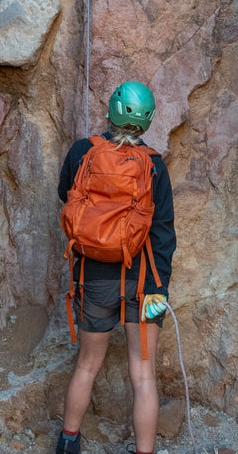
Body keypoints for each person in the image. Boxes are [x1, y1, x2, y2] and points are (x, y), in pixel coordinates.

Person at [55, 81, 176, 454]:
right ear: (148, 120)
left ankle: (68, 443)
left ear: (111, 110)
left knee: (87, 366)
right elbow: (163, 235)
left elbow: (66, 195)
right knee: (143, 376)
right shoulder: (154, 165)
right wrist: (161, 290)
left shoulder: (82, 152)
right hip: (145, 284)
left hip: (95, 279)